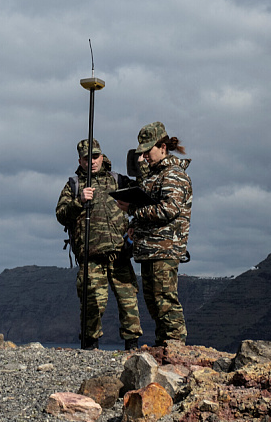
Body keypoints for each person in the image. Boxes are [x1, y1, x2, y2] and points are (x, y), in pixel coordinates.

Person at [56, 139, 143, 350]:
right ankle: (90, 346)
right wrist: (79, 202)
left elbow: (141, 197)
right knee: (92, 303)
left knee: (128, 302)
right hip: (91, 258)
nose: (92, 161)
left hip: (120, 254)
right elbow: (61, 214)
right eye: (87, 158)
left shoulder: (119, 181)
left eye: (95, 157)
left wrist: (133, 228)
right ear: (81, 161)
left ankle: (132, 347)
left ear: (102, 157)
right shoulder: (74, 185)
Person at [116, 122, 192, 347]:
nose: (145, 157)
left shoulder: (173, 175)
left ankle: (176, 348)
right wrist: (135, 224)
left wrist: (132, 209)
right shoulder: (155, 176)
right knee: (154, 302)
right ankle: (164, 347)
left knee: (165, 301)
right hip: (150, 248)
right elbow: (152, 208)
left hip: (165, 249)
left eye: (148, 151)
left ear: (162, 147)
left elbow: (169, 209)